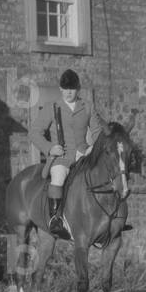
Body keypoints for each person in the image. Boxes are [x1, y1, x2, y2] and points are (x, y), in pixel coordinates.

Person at [29, 69, 102, 239]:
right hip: (61, 156)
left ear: (78, 89)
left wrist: (93, 147)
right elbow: (34, 133)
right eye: (65, 88)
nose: (69, 92)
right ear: (61, 89)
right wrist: (50, 148)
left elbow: (98, 132)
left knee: (100, 175)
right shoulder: (51, 107)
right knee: (59, 176)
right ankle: (55, 219)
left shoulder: (88, 107)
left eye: (72, 88)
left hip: (83, 155)